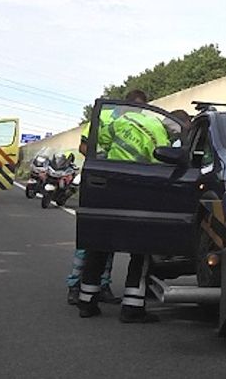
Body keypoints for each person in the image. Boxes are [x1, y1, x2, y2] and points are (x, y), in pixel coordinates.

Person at [77, 89, 172, 323]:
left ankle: (86, 301)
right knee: (141, 250)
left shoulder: (114, 121)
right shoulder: (156, 126)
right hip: (141, 190)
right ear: (144, 106)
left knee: (98, 244)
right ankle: (132, 306)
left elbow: (93, 147)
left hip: (109, 185)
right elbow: (165, 159)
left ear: (124, 105)